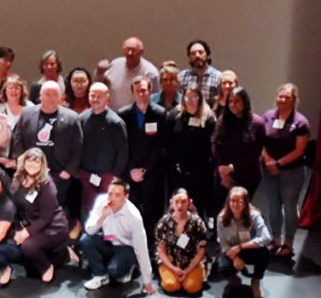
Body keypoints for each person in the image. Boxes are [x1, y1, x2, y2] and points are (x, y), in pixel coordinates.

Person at [0, 150, 69, 284]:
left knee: (28, 247)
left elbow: (46, 218)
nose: (32, 164)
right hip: (31, 223)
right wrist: (18, 229)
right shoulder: (18, 179)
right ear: (24, 162)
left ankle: (47, 267)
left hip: (52, 227)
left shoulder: (47, 184)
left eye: (36, 161)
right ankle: (61, 253)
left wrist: (26, 232)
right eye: (29, 160)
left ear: (42, 165)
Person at [256, 83, 310, 259]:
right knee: (273, 206)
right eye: (280, 96)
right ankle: (275, 239)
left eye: (286, 97)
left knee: (289, 206)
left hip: (291, 172)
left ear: (294, 100)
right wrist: (268, 160)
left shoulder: (300, 122)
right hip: (269, 170)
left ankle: (288, 242)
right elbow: (260, 142)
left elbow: (299, 150)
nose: (282, 100)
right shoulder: (268, 117)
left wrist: (279, 163)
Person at [11, 80, 82, 205]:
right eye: (47, 94)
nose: (51, 98)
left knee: (54, 208)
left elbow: (78, 146)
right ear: (40, 95)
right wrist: (22, 165)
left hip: (58, 173)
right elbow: (17, 140)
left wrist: (68, 171)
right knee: (30, 206)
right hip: (31, 172)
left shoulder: (72, 117)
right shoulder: (27, 114)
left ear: (61, 97)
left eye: (55, 94)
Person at [80, 178, 156, 294]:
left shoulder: (134, 216)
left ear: (126, 197)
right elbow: (89, 230)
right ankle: (100, 275)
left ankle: (129, 267)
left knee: (114, 271)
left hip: (125, 247)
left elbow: (142, 248)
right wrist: (102, 218)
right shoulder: (101, 201)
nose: (112, 198)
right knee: (85, 239)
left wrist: (147, 282)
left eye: (117, 195)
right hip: (108, 240)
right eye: (110, 194)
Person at [118, 76, 166, 246]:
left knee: (152, 212)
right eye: (137, 90)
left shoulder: (160, 113)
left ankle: (152, 247)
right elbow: (123, 145)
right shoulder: (124, 114)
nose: (141, 93)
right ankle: (132, 245)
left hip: (152, 172)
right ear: (133, 92)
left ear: (150, 91)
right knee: (132, 210)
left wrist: (144, 169)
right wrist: (132, 170)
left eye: (144, 90)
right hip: (130, 173)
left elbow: (160, 145)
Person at [165, 86, 217, 224]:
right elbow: (168, 144)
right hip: (178, 171)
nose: (191, 101)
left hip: (201, 171)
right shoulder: (174, 116)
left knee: (198, 205)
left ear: (200, 98)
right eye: (188, 97)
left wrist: (200, 169)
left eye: (195, 97)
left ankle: (198, 235)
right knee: (179, 203)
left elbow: (210, 147)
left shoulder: (209, 118)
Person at [78, 83, 128, 217]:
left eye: (99, 96)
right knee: (90, 210)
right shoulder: (81, 119)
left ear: (107, 98)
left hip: (108, 176)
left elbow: (122, 152)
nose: (95, 99)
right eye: (92, 95)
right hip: (87, 175)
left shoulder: (115, 122)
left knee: (110, 209)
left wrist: (115, 175)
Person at [217, 186, 271, 298]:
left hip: (247, 248)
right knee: (223, 267)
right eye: (232, 201)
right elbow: (223, 243)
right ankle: (234, 280)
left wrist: (240, 247)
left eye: (239, 201)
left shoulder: (254, 215)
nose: (235, 204)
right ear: (228, 201)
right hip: (230, 251)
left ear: (245, 202)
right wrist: (235, 258)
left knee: (265, 254)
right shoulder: (221, 218)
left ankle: (256, 280)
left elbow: (266, 237)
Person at [213, 86, 266, 208]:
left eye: (237, 101)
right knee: (222, 211)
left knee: (242, 210)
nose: (233, 105)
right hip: (223, 174)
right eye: (230, 101)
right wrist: (222, 168)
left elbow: (254, 152)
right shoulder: (223, 120)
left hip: (247, 174)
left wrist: (232, 168)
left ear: (245, 102)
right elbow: (215, 144)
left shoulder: (257, 123)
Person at [155, 188, 208, 296]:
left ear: (190, 202)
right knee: (171, 286)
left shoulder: (197, 222)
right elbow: (161, 250)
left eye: (183, 202)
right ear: (171, 203)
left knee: (191, 287)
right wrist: (173, 269)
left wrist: (187, 271)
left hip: (192, 263)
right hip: (170, 262)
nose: (180, 205)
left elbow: (201, 251)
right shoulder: (163, 223)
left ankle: (192, 276)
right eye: (177, 202)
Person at [94, 37, 159, 110]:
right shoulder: (115, 64)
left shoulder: (150, 72)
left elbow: (155, 99)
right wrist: (99, 73)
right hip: (113, 115)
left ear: (141, 52)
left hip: (135, 117)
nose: (130, 53)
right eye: (127, 49)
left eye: (133, 50)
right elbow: (100, 86)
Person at [0, 76, 33, 174]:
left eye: (17, 88)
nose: (13, 91)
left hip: (24, 164)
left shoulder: (31, 109)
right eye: (10, 88)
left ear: (22, 90)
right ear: (5, 90)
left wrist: (21, 161)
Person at [177, 40, 222, 108]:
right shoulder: (182, 76)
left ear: (207, 55)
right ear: (189, 57)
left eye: (200, 52)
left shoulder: (218, 77)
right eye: (193, 53)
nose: (197, 56)